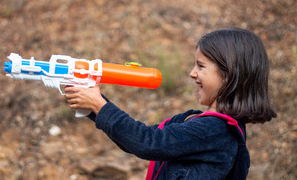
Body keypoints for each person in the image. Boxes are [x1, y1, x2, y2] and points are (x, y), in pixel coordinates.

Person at [64, 28, 277, 180]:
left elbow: (148, 143)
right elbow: (137, 138)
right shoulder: (196, 121)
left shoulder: (215, 130)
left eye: (201, 66)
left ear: (229, 75)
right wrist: (94, 105)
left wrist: (100, 106)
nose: (192, 73)